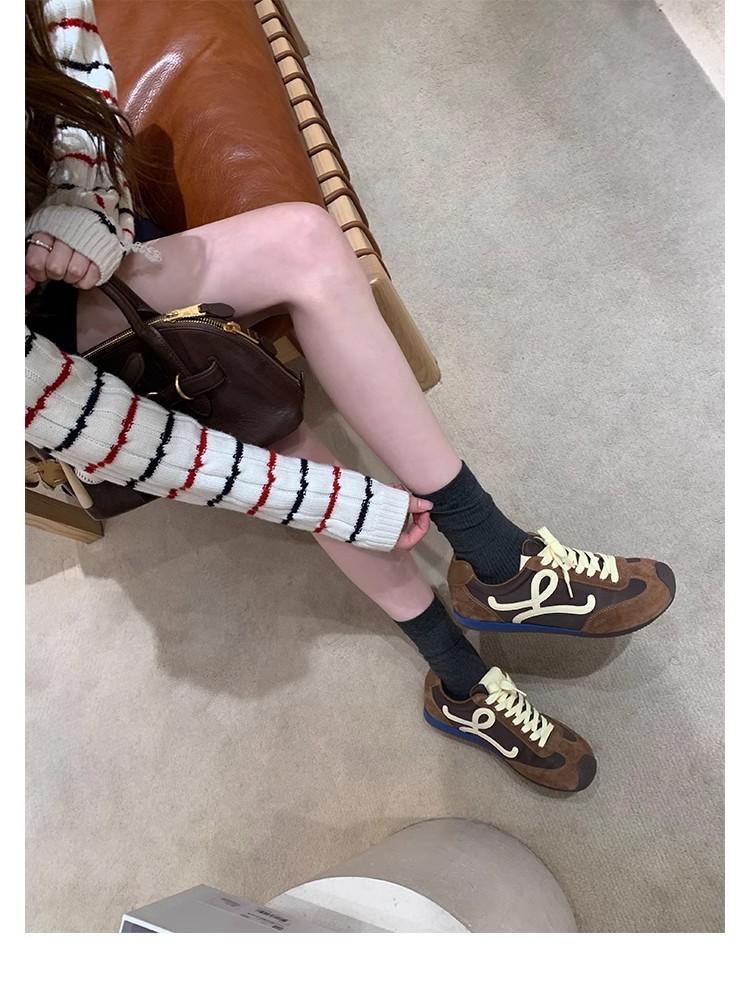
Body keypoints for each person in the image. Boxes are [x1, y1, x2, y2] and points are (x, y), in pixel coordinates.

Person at [25, 0, 675, 793]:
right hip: (41, 359)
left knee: (304, 245)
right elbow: (85, 426)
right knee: (269, 430)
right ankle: (460, 677)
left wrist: (79, 210)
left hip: (73, 240)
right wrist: (337, 502)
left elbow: (77, 74)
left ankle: (495, 555)